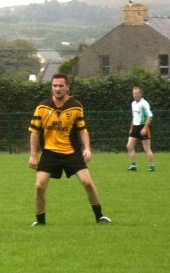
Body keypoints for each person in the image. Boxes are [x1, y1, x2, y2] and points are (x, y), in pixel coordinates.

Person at [28, 73, 111, 226]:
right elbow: (34, 132)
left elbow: (82, 130)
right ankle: (40, 221)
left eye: (61, 86)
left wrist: (87, 148)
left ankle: (100, 216)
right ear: (51, 87)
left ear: (67, 87)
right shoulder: (42, 107)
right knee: (39, 185)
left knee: (87, 182)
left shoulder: (75, 106)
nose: (58, 89)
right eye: (55, 86)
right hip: (49, 153)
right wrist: (33, 155)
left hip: (71, 153)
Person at [126, 87, 155, 172]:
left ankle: (152, 166)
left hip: (143, 126)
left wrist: (145, 128)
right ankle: (133, 165)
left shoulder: (144, 103)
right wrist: (131, 128)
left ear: (140, 94)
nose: (134, 95)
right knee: (129, 146)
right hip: (135, 127)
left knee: (146, 148)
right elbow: (134, 117)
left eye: (136, 93)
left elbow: (150, 116)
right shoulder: (133, 103)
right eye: (133, 93)